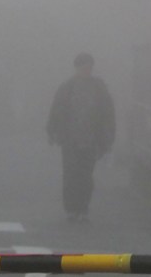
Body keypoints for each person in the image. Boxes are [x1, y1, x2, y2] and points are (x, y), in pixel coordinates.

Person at [46, 52, 115, 222]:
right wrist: (52, 131)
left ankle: (83, 208)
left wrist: (107, 138)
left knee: (86, 175)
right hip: (70, 139)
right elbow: (56, 110)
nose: (87, 70)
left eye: (89, 67)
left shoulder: (99, 88)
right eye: (84, 67)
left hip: (90, 140)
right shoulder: (67, 87)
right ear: (76, 68)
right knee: (70, 174)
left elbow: (108, 114)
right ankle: (71, 209)